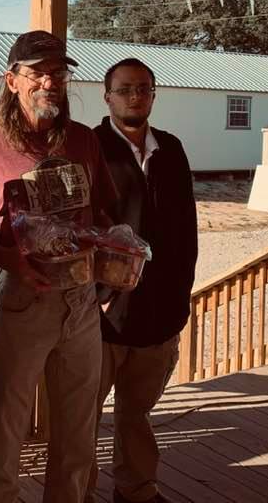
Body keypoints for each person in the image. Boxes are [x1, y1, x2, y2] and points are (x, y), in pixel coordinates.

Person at [0, 30, 116, 503]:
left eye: (57, 73)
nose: (49, 83)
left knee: (78, 427)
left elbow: (106, 213)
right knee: (6, 423)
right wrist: (8, 257)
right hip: (22, 299)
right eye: (36, 73)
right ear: (12, 80)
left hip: (81, 302)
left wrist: (112, 260)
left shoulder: (83, 140)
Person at [87, 58, 197, 503]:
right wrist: (96, 297)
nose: (135, 96)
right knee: (82, 417)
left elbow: (187, 231)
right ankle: (77, 493)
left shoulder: (170, 149)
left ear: (153, 94)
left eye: (144, 88)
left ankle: (136, 491)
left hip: (158, 317)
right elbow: (77, 229)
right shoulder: (89, 147)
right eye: (125, 88)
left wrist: (179, 300)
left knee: (137, 415)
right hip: (101, 319)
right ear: (107, 95)